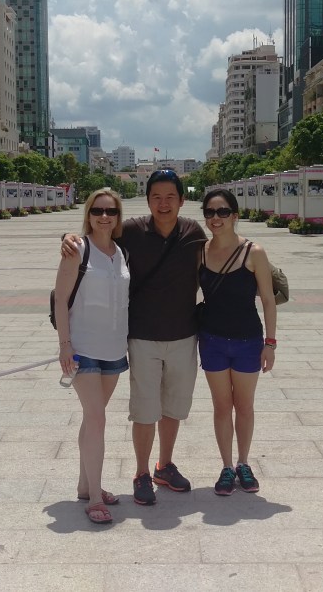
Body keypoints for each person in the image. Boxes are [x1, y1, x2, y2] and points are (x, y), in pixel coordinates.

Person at [62, 170, 207, 506]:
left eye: (170, 197)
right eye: (156, 197)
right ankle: (141, 472)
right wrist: (68, 236)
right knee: (144, 409)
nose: (163, 203)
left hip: (184, 335)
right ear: (147, 200)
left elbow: (217, 257)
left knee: (174, 407)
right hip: (141, 337)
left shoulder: (193, 232)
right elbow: (96, 234)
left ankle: (164, 466)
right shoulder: (131, 231)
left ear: (182, 200)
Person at [54, 188, 131, 525]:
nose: (104, 216)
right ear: (88, 214)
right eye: (97, 210)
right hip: (83, 349)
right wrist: (65, 345)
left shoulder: (122, 252)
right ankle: (96, 498)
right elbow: (61, 299)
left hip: (114, 349)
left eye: (110, 211)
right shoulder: (77, 249)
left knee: (92, 418)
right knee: (97, 419)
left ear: (118, 217)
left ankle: (85, 485)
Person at [196, 189, 277, 495]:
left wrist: (270, 343)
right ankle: (227, 467)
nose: (216, 218)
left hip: (247, 340)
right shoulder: (200, 252)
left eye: (223, 212)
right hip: (212, 340)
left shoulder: (254, 252)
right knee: (221, 407)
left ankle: (244, 462)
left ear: (235, 216)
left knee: (244, 406)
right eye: (210, 212)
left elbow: (268, 300)